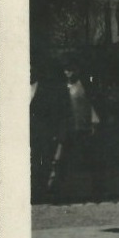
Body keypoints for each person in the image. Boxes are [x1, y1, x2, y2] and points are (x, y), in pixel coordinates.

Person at [31, 57, 71, 203]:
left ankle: (39, 194)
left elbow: (58, 114)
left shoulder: (48, 90)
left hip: (42, 136)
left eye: (32, 68)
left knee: (41, 165)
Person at [62, 57, 101, 198]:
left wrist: (93, 123)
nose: (69, 73)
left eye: (71, 70)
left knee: (87, 156)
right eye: (66, 70)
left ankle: (90, 188)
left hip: (84, 126)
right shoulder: (63, 87)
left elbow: (90, 105)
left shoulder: (83, 86)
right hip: (70, 127)